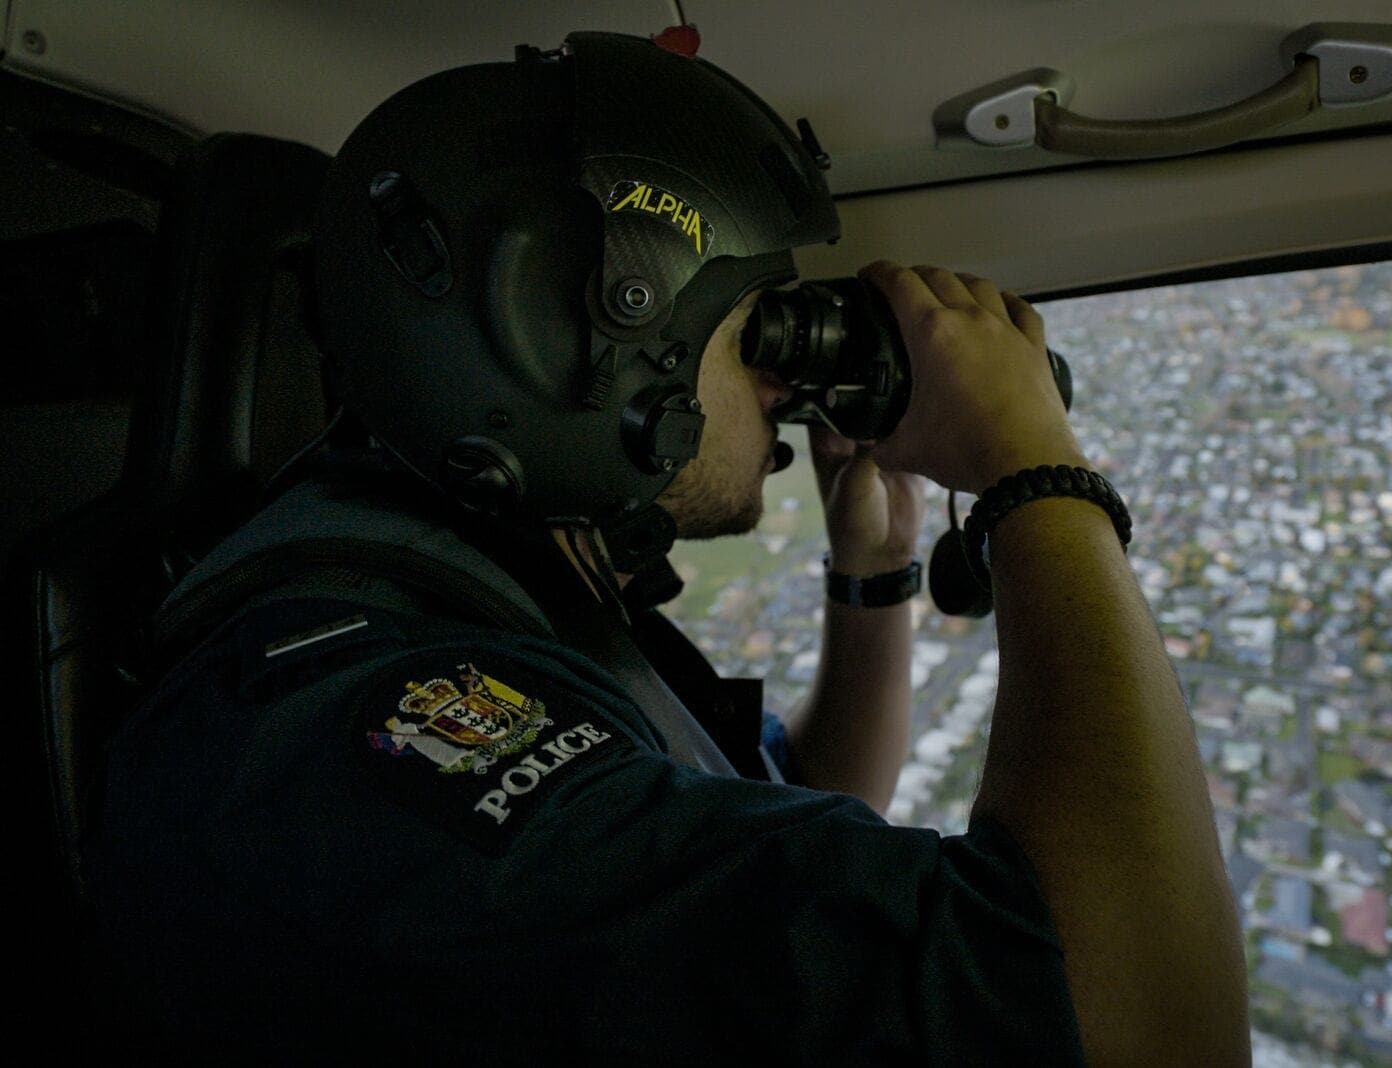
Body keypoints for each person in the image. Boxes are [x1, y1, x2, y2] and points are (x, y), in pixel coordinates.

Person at [81, 31, 1246, 1063]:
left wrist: (874, 570)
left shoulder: (498, 601)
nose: (787, 378)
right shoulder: (363, 743)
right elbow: (1140, 1030)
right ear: (563, 346)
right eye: (754, 330)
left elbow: (797, 805)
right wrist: (1035, 480)